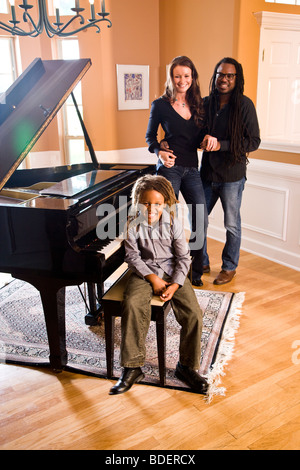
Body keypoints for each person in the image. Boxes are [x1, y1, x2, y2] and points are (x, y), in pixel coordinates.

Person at [109, 175, 208, 395]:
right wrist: (152, 278)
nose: (151, 209)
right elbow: (132, 257)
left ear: (165, 203)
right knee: (133, 303)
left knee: (193, 314)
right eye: (146, 203)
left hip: (174, 272)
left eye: (157, 204)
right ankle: (132, 367)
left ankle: (187, 367)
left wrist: (175, 285)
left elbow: (184, 259)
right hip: (144, 273)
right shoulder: (132, 224)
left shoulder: (174, 224)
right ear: (137, 202)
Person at [145, 56, 217, 287]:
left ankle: (195, 271)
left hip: (192, 170)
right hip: (170, 169)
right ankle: (164, 267)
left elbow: (198, 138)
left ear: (192, 77)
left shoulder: (199, 105)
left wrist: (206, 139)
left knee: (200, 219)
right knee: (167, 220)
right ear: (171, 77)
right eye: (178, 76)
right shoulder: (160, 105)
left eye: (186, 76)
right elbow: (149, 138)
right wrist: (160, 151)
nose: (182, 80)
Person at [200, 57, 261, 285]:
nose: (223, 79)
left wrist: (221, 144)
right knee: (198, 219)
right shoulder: (206, 103)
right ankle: (201, 261)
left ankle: (229, 267)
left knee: (231, 224)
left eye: (229, 75)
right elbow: (195, 132)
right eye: (220, 74)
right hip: (206, 174)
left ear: (237, 78)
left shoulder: (245, 105)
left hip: (232, 177)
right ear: (215, 76)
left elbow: (253, 141)